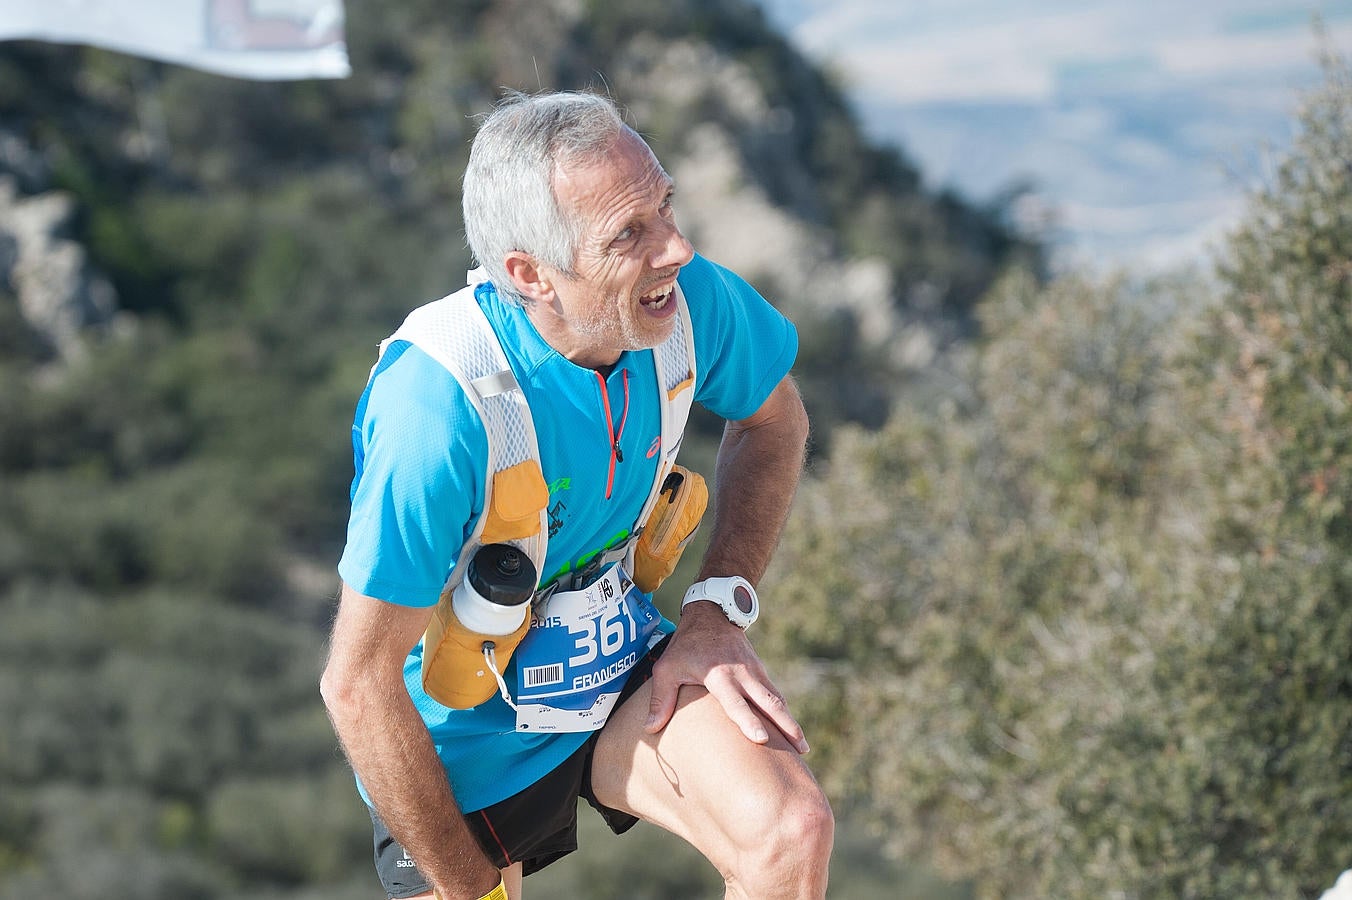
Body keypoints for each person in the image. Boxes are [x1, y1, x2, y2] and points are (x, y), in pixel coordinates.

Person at [321, 90, 833, 900]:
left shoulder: (689, 303)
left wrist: (715, 611)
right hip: (459, 741)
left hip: (618, 658)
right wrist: (467, 889)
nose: (676, 248)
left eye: (663, 207)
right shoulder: (439, 406)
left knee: (788, 832)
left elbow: (776, 421)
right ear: (530, 274)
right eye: (629, 234)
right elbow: (356, 685)